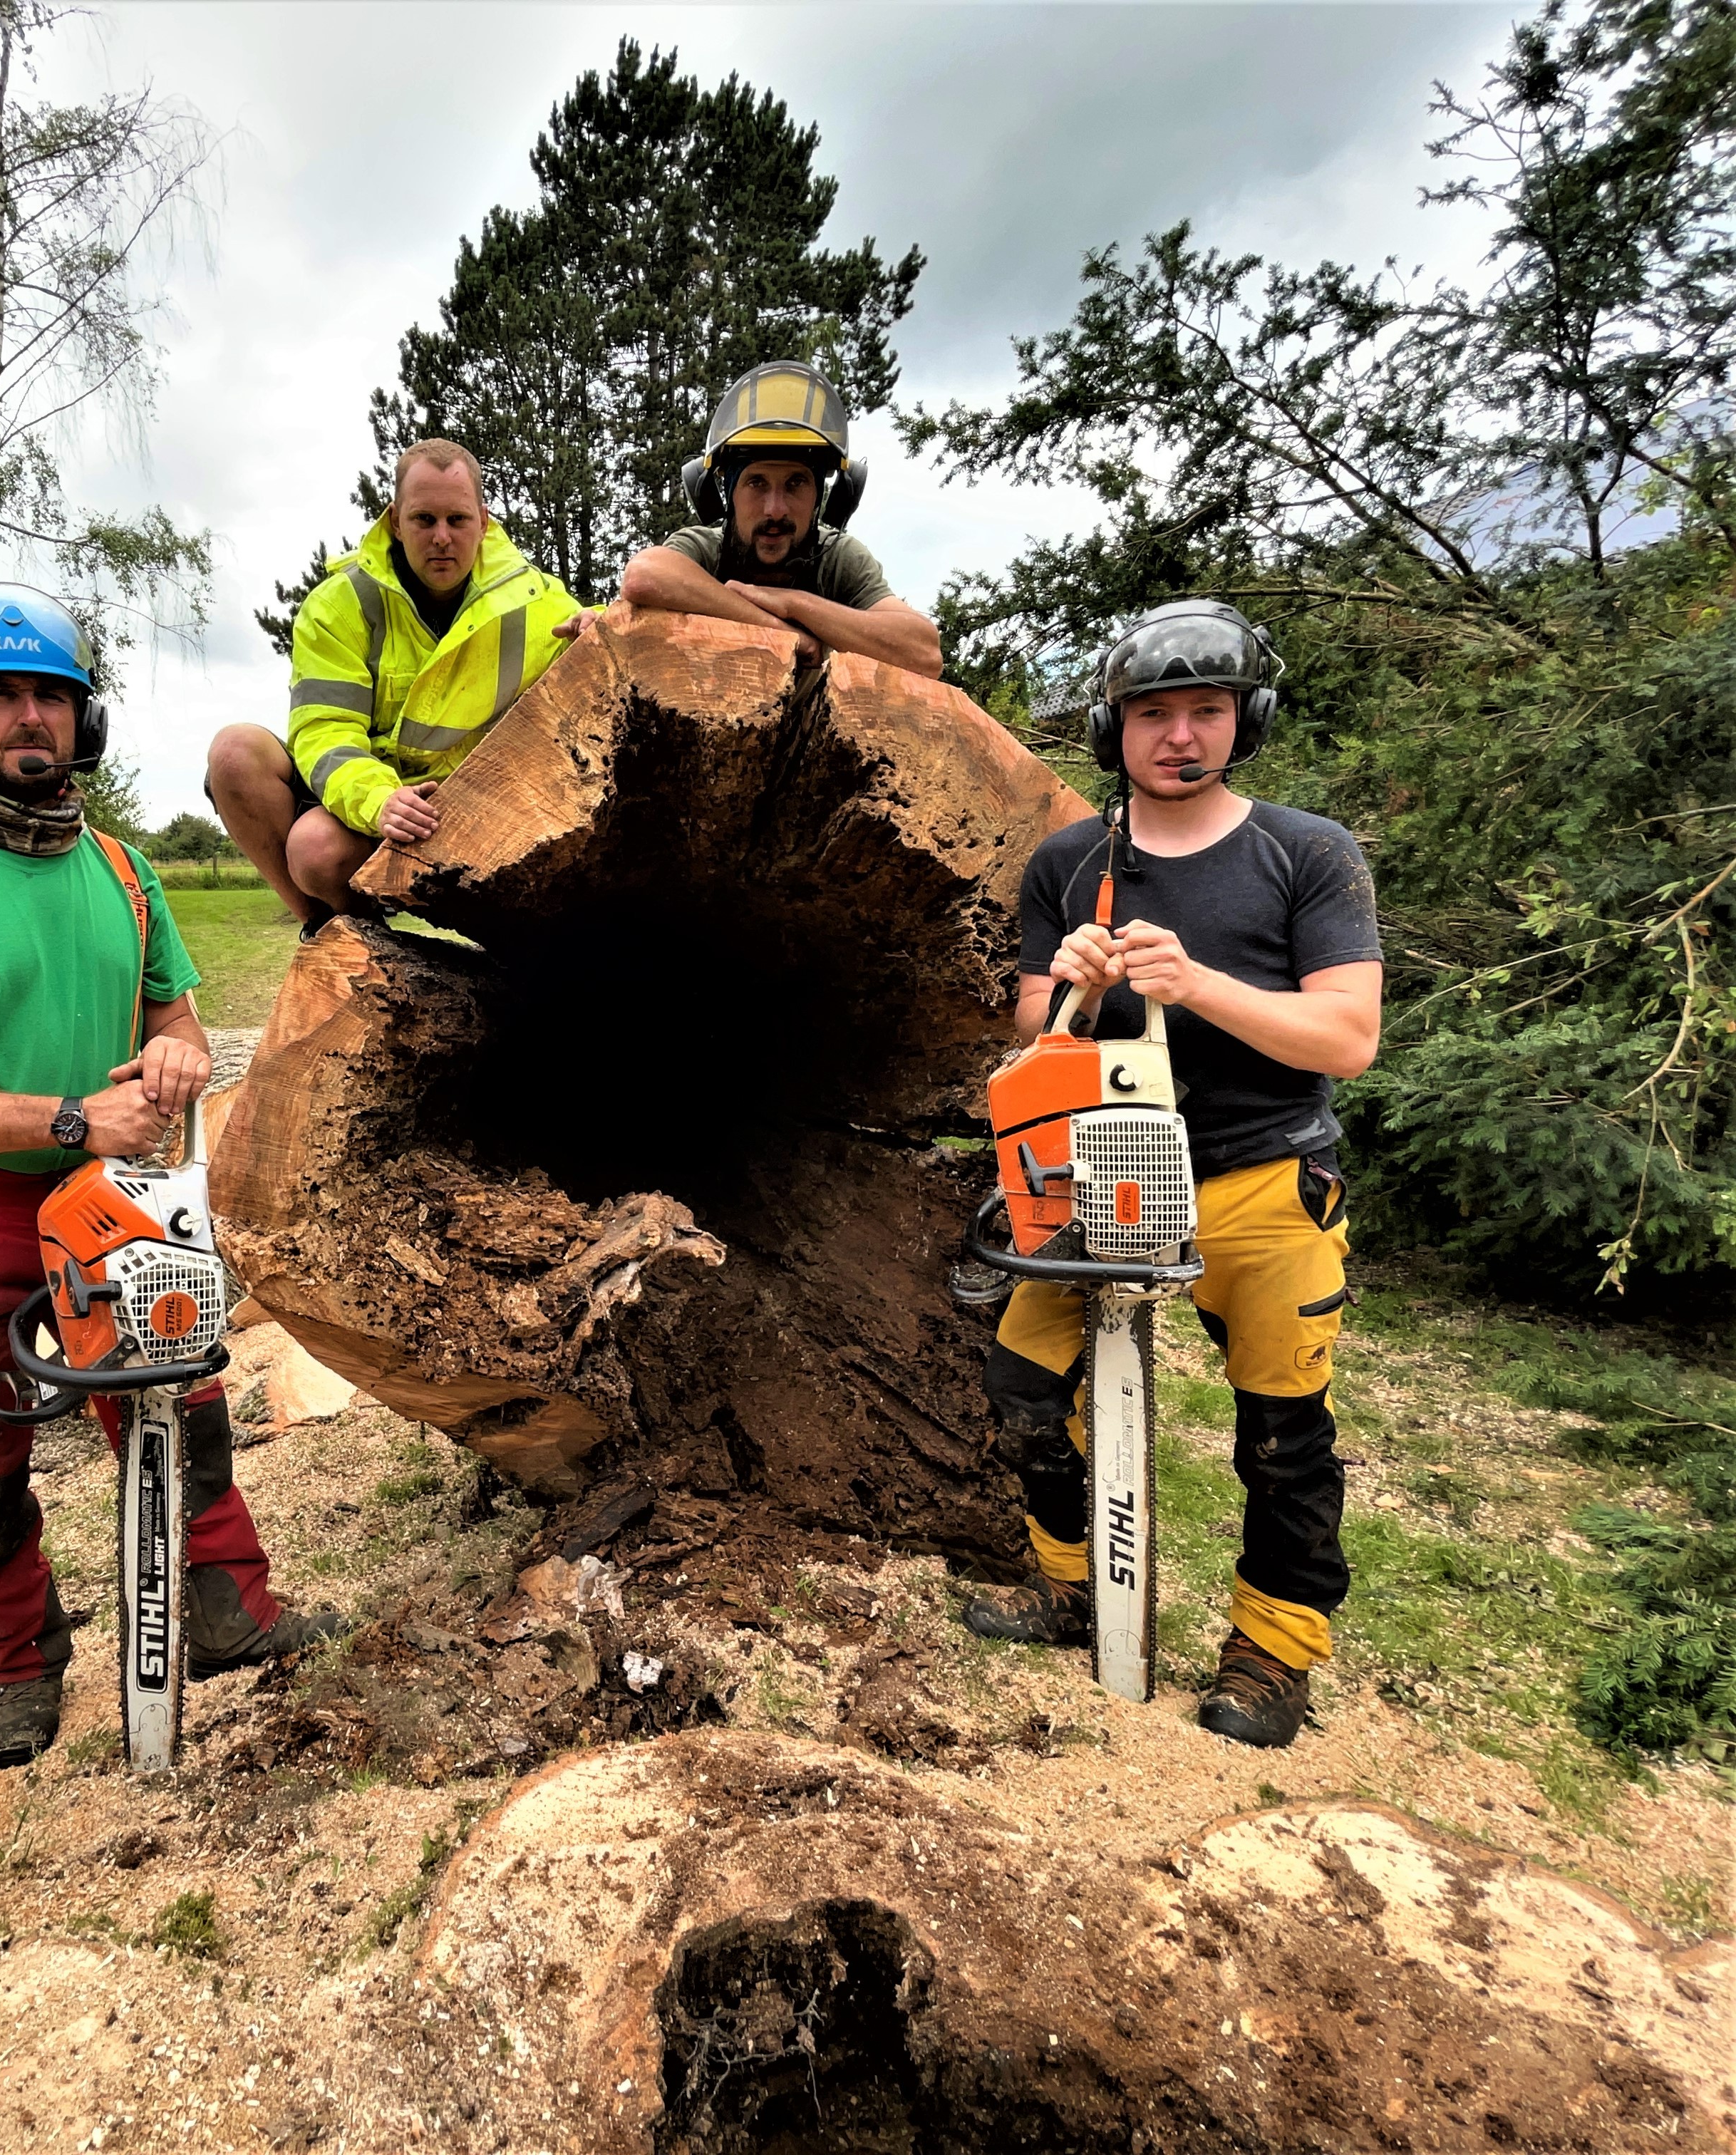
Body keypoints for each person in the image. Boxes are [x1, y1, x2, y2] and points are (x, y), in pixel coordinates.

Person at [0, 584, 333, 1770]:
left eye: (49, 694)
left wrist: (177, 1055)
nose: (27, 719)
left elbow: (183, 1022)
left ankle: (224, 1607)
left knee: (180, 1405)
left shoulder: (121, 870)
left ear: (81, 719)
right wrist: (65, 1114)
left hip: (107, 1200)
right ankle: (21, 1665)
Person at [967, 599, 1383, 1750]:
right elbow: (1025, 1034)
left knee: (1280, 1428)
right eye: (1153, 713)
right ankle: (1072, 1582)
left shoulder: (1304, 853)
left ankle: (1273, 1642)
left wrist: (1194, 982)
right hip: (1105, 1165)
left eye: (1204, 709)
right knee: (1022, 1383)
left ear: (1242, 717)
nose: (1180, 736)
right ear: (1115, 729)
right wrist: (1076, 987)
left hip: (1262, 1171)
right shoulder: (1070, 860)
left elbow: (1344, 1037)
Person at [207, 440, 596, 926]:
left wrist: (597, 626)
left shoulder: (534, 599)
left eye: (457, 520)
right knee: (242, 764)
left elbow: (596, 630)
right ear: (395, 520)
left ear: (484, 521)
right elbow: (324, 731)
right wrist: (379, 802)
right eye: (423, 519)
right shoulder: (338, 605)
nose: (441, 537)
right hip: (371, 805)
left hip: (469, 814)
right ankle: (332, 928)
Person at [619, 361, 941, 679]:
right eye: (756, 483)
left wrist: (795, 603)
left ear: (823, 498)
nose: (775, 510)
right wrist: (781, 631)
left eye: (796, 483)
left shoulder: (839, 560)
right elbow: (644, 576)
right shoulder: (705, 549)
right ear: (727, 495)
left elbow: (924, 654)